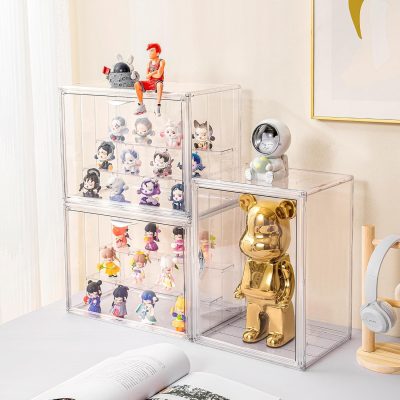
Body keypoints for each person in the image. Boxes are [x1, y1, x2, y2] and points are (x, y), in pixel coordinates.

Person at [134, 43, 165, 117]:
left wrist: (151, 74)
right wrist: (154, 72)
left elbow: (159, 75)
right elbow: (147, 76)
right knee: (136, 84)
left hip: (157, 82)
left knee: (160, 85)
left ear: (157, 53)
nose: (150, 53)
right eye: (149, 51)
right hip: (150, 82)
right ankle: (141, 105)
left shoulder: (161, 61)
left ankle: (158, 107)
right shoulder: (149, 63)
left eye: (152, 51)